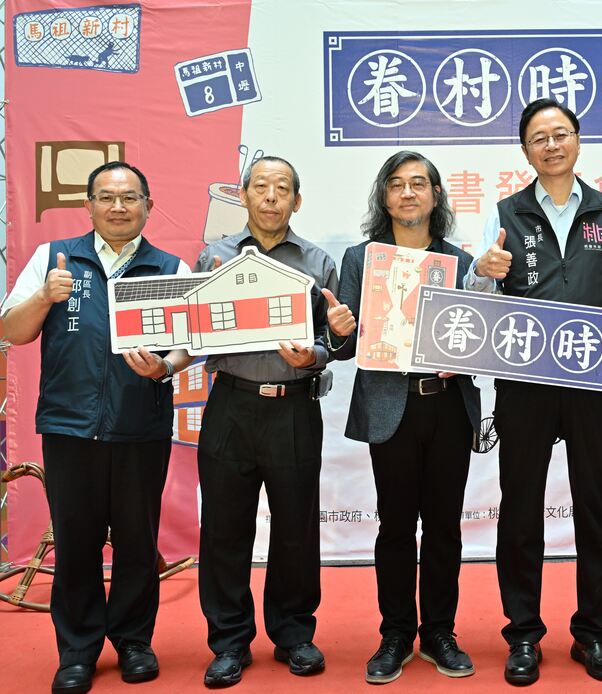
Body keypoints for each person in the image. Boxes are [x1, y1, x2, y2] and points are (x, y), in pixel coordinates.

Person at [466, 98, 602, 685]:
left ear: (578, 141)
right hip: (525, 382)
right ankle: (522, 633)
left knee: (593, 506)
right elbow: (482, 296)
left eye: (560, 134)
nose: (551, 145)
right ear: (525, 150)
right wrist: (483, 272)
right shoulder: (504, 213)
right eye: (539, 138)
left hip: (593, 378)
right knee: (520, 509)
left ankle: (593, 633)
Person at [1, 162, 190, 693]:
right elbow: (11, 330)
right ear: (88, 206)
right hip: (69, 427)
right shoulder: (54, 258)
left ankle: (133, 642)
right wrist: (45, 296)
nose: (118, 207)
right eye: (106, 197)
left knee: (137, 541)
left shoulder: (169, 267)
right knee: (77, 542)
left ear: (148, 206)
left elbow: (188, 344)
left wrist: (164, 367)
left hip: (141, 427)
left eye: (130, 197)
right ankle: (78, 651)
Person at [326, 151, 482, 685]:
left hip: (448, 406)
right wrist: (339, 329)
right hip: (391, 406)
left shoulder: (460, 261)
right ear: (384, 197)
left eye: (419, 183)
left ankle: (440, 632)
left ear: (436, 195)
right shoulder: (361, 259)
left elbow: (479, 339)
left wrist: (466, 354)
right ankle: (395, 633)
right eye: (396, 184)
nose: (408, 193)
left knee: (444, 526)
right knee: (394, 525)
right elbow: (344, 344)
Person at [194, 156, 338, 688]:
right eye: (261, 186)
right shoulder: (215, 256)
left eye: (282, 188)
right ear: (243, 195)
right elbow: (192, 330)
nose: (271, 196)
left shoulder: (318, 261)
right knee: (224, 529)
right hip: (231, 405)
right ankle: (229, 641)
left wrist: (316, 355)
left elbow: (333, 340)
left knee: (296, 527)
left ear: (297, 201)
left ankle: (294, 633)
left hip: (294, 407)